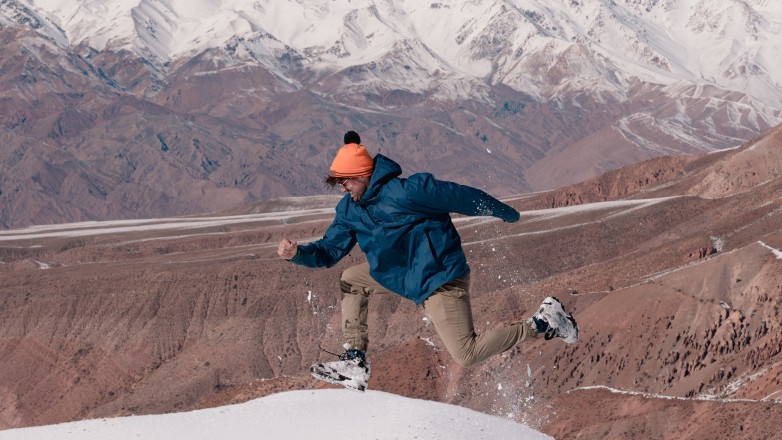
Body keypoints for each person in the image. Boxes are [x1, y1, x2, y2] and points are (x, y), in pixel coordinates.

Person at [277, 131, 578, 391]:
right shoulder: (349, 210)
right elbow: (330, 250)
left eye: (345, 182)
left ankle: (544, 321)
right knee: (351, 280)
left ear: (363, 175)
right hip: (398, 276)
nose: (342, 189)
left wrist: (505, 213)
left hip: (438, 279)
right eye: (338, 184)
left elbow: (460, 196)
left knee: (467, 354)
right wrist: (298, 254)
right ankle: (356, 362)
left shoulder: (409, 192)